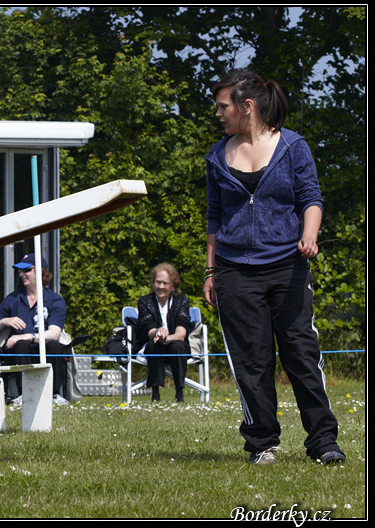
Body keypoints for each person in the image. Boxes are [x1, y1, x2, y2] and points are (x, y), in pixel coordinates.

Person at [203, 71, 344, 465]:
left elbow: (311, 198)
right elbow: (215, 215)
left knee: (301, 354)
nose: (218, 113)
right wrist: (211, 271)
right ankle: (262, 443)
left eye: (223, 105)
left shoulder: (293, 146)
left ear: (247, 106)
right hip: (234, 271)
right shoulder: (217, 155)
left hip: (288, 266)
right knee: (252, 361)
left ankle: (323, 442)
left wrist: (310, 234)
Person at [0, 254, 70, 405]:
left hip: (43, 345)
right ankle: (22, 395)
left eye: (26, 270)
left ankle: (54, 395)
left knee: (55, 346)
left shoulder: (55, 300)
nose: (21, 274)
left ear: (40, 271)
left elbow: (54, 333)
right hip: (19, 349)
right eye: (20, 271)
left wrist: (25, 336)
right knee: (20, 346)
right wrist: (5, 321)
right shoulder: (13, 298)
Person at [135, 263, 192, 403]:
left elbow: (182, 332)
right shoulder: (144, 301)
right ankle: (155, 394)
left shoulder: (182, 301)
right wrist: (158, 333)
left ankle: (179, 392)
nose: (161, 286)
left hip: (175, 344)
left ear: (173, 286)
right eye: (158, 282)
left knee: (178, 346)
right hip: (154, 343)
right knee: (154, 346)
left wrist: (167, 338)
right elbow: (147, 327)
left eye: (165, 283)